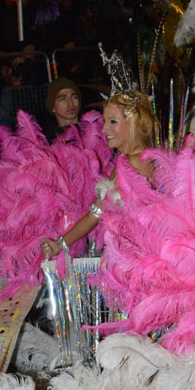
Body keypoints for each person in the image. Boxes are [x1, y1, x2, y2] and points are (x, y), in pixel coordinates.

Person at [40, 89, 155, 258]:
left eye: (113, 122)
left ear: (133, 123)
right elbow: (97, 211)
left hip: (140, 260)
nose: (104, 129)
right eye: (105, 121)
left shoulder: (136, 162)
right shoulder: (126, 160)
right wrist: (60, 244)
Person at [40, 77, 82, 141]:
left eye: (74, 97)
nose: (71, 103)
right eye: (63, 99)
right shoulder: (48, 141)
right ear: (53, 107)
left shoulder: (93, 131)